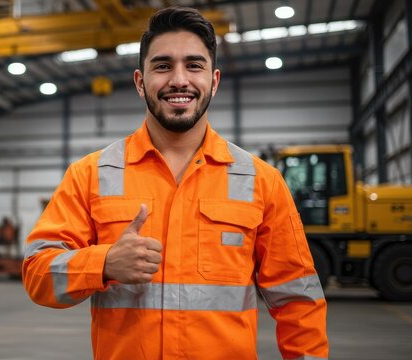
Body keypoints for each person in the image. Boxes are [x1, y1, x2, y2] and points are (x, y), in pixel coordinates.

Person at [22, 6, 328, 360]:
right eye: (163, 66)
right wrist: (102, 263)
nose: (179, 80)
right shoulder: (90, 174)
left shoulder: (262, 181)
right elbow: (37, 275)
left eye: (194, 65)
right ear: (141, 82)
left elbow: (299, 300)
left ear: (213, 81)